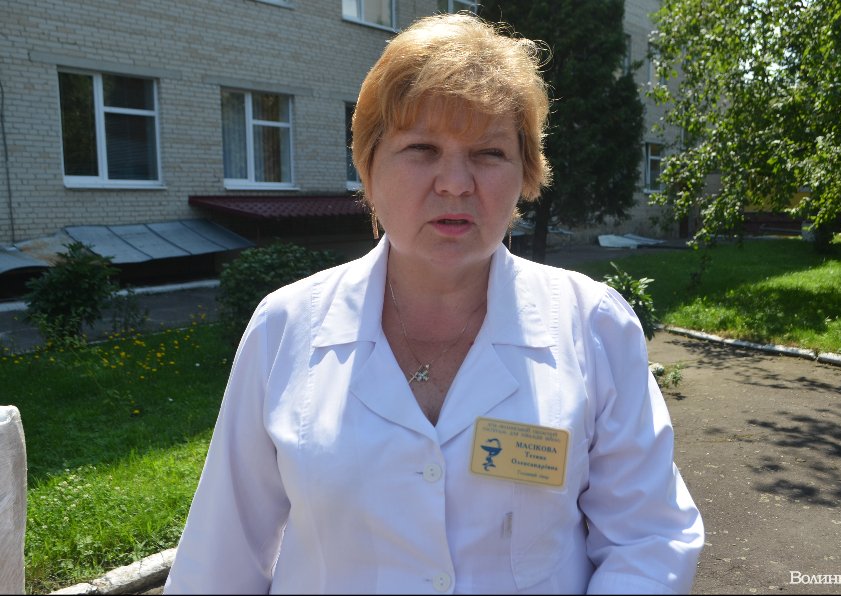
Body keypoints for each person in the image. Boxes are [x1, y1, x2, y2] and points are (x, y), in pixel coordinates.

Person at [164, 12, 703, 595]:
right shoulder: (286, 328)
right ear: (368, 167)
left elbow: (648, 538)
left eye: (488, 153)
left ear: (526, 174)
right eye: (421, 148)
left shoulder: (593, 325)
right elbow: (219, 559)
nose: (455, 183)